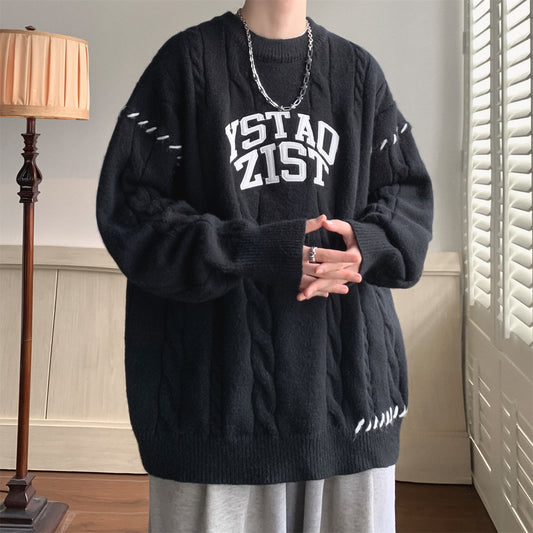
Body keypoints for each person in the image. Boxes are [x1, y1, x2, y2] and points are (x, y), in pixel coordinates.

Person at [96, 0, 433, 531]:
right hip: (216, 408)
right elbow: (131, 212)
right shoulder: (186, 63)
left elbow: (407, 199)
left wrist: (365, 243)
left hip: (350, 400)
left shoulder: (358, 72)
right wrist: (255, 251)